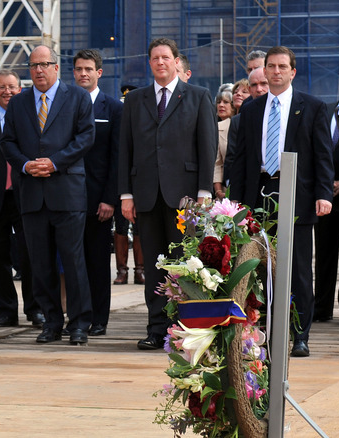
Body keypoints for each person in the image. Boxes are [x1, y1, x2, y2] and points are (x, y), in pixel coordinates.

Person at [228, 46, 333, 357]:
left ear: (292, 71)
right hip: (257, 194)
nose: (275, 71)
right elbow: (240, 158)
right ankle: (263, 333)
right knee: (258, 266)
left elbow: (322, 155)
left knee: (298, 269)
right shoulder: (250, 109)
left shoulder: (312, 107)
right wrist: (236, 202)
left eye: (281, 66)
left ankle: (300, 334)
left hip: (297, 197)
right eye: (270, 66)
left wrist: (324, 194)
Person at [118, 37, 217, 350]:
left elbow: (207, 147)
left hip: (185, 197)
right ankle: (157, 328)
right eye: (155, 58)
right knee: (156, 266)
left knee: (185, 264)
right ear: (150, 63)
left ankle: (184, 330)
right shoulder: (135, 100)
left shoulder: (199, 96)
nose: (160, 62)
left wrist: (203, 191)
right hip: (146, 195)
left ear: (177, 61)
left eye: (165, 57)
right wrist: (126, 195)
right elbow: (125, 150)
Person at [1, 45, 95, 345]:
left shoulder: (77, 97)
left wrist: (55, 163)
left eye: (45, 64)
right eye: (33, 65)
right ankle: (51, 322)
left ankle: (79, 323)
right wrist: (27, 165)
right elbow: (8, 142)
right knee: (40, 263)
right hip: (31, 193)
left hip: (67, 191)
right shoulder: (19, 103)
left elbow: (85, 137)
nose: (39, 70)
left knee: (73, 260)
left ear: (57, 67)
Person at [0, 70, 44, 329]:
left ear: (20, 89)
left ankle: (35, 309)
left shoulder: (31, 116)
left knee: (31, 254)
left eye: (12, 87)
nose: (7, 91)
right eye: (1, 87)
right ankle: (6, 311)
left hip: (26, 192)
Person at [73, 49, 124, 337]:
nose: (83, 73)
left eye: (88, 69)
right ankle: (76, 316)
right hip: (67, 198)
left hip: (98, 200)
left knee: (96, 262)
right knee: (72, 261)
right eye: (79, 69)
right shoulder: (65, 105)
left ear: (99, 73)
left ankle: (99, 319)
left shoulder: (114, 108)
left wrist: (110, 198)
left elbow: (117, 158)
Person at [315, 66, 339, 325]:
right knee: (324, 254)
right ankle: (321, 308)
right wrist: (325, 184)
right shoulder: (323, 110)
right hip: (324, 196)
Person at [213, 85, 235, 199]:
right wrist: (218, 191)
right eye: (218, 102)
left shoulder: (239, 124)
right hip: (223, 192)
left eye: (226, 102)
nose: (221, 105)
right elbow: (217, 163)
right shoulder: (216, 127)